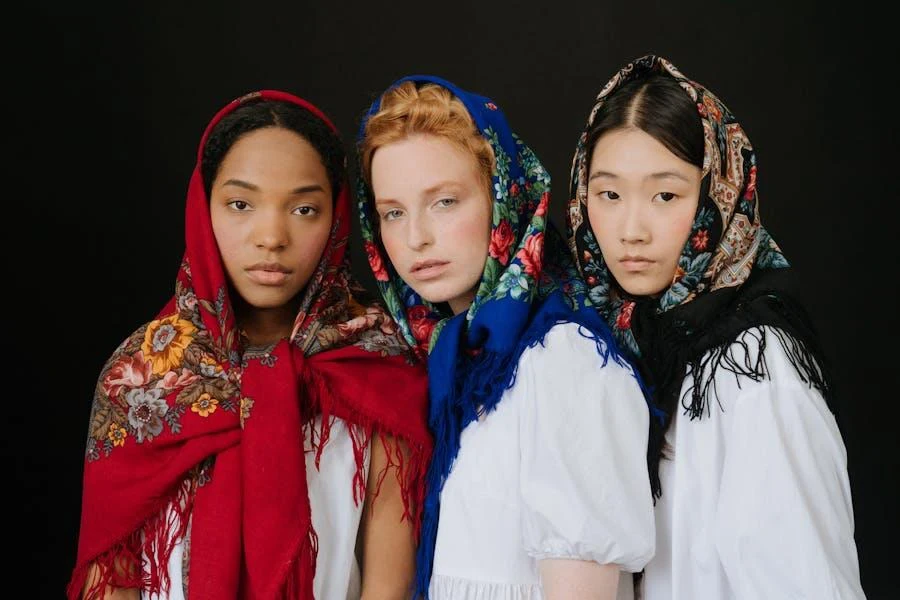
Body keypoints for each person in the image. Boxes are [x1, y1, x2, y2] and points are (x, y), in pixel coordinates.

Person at [67, 90, 431, 600]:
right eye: (241, 204)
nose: (271, 236)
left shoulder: (374, 360)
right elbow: (109, 577)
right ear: (204, 207)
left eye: (304, 208)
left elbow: (388, 583)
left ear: (336, 216)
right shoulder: (139, 376)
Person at [567, 55, 866, 598]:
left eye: (666, 195)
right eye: (609, 194)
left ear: (717, 197)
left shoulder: (753, 367)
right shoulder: (629, 342)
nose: (630, 230)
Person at [357, 76, 655, 600]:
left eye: (444, 202)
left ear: (503, 198)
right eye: (393, 213)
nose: (415, 237)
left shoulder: (562, 358)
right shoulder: (453, 358)